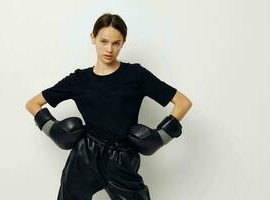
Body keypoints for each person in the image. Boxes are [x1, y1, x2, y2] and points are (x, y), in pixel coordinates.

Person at [26, 13, 192, 200]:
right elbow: (33, 104)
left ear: (123, 42)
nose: (109, 49)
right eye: (103, 41)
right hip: (84, 156)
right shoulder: (79, 80)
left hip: (122, 159)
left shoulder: (135, 75)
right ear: (93, 37)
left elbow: (183, 102)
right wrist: (53, 129)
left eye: (116, 43)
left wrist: (161, 137)